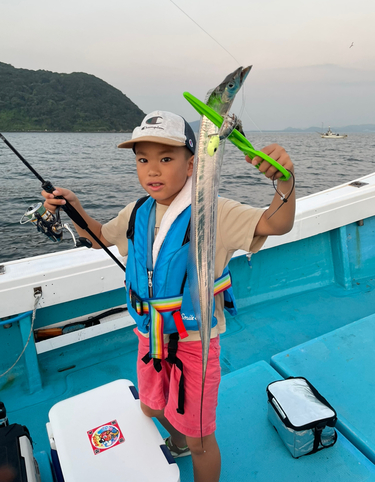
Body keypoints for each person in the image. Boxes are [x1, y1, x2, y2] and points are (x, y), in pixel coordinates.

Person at [42, 111, 295, 482]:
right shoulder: (136, 211)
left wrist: (285, 182)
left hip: (195, 345)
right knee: (149, 407)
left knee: (201, 441)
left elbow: (277, 223)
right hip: (150, 336)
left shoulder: (215, 213)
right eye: (143, 159)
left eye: (165, 158)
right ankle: (176, 441)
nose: (152, 171)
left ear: (192, 164)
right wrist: (75, 207)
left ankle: (188, 444)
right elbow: (100, 237)